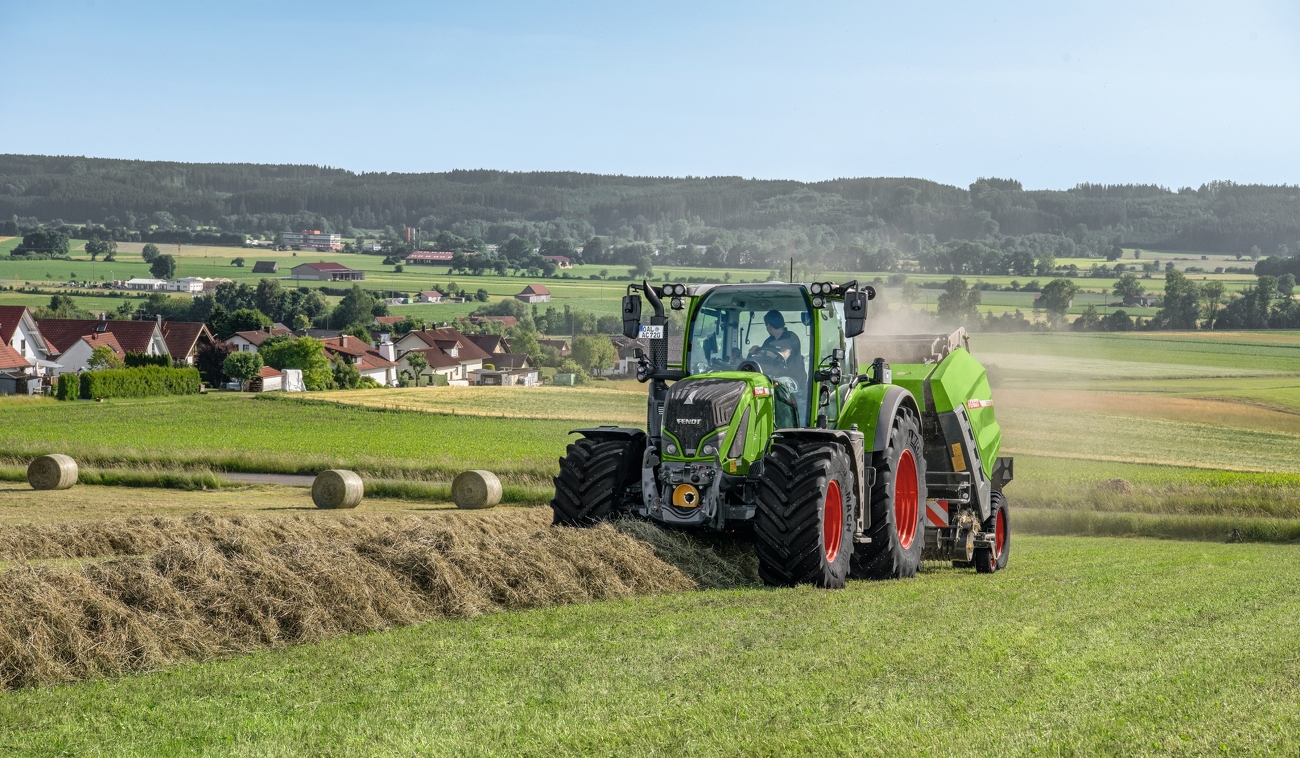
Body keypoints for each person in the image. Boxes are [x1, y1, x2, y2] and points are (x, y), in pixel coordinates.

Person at [749, 310, 805, 382]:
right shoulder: (769, 341)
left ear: (768, 325)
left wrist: (763, 352)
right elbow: (761, 358)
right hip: (772, 377)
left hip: (791, 379)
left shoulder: (790, 337)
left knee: (778, 387)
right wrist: (755, 351)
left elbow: (784, 355)